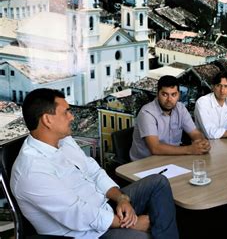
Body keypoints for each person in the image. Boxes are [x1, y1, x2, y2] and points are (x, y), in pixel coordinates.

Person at [10, 88, 178, 238]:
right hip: (86, 233)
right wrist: (131, 223)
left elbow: (94, 172)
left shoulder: (65, 140)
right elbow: (76, 213)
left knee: (158, 182)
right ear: (47, 120)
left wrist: (121, 199)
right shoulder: (32, 170)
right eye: (66, 112)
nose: (72, 117)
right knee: (143, 236)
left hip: (104, 206)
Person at [130, 75, 210, 161]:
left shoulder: (181, 109)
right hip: (144, 164)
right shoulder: (147, 113)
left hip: (172, 158)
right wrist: (190, 149)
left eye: (173, 94)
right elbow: (155, 148)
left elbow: (194, 133)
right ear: (157, 94)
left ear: (178, 95)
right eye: (165, 94)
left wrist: (201, 142)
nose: (169, 99)